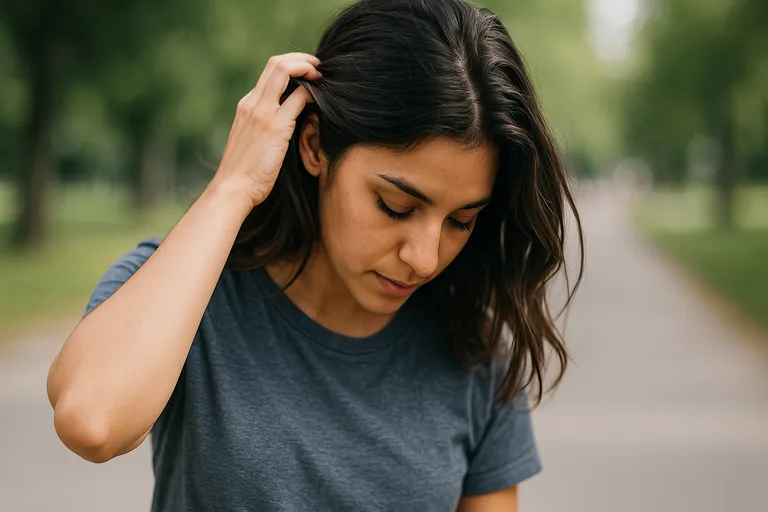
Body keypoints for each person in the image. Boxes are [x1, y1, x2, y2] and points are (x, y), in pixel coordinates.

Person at [46, 0, 584, 510]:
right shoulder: (189, 290)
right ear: (314, 146)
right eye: (395, 206)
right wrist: (232, 187)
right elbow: (94, 420)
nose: (424, 258)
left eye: (461, 220)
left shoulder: (473, 349)